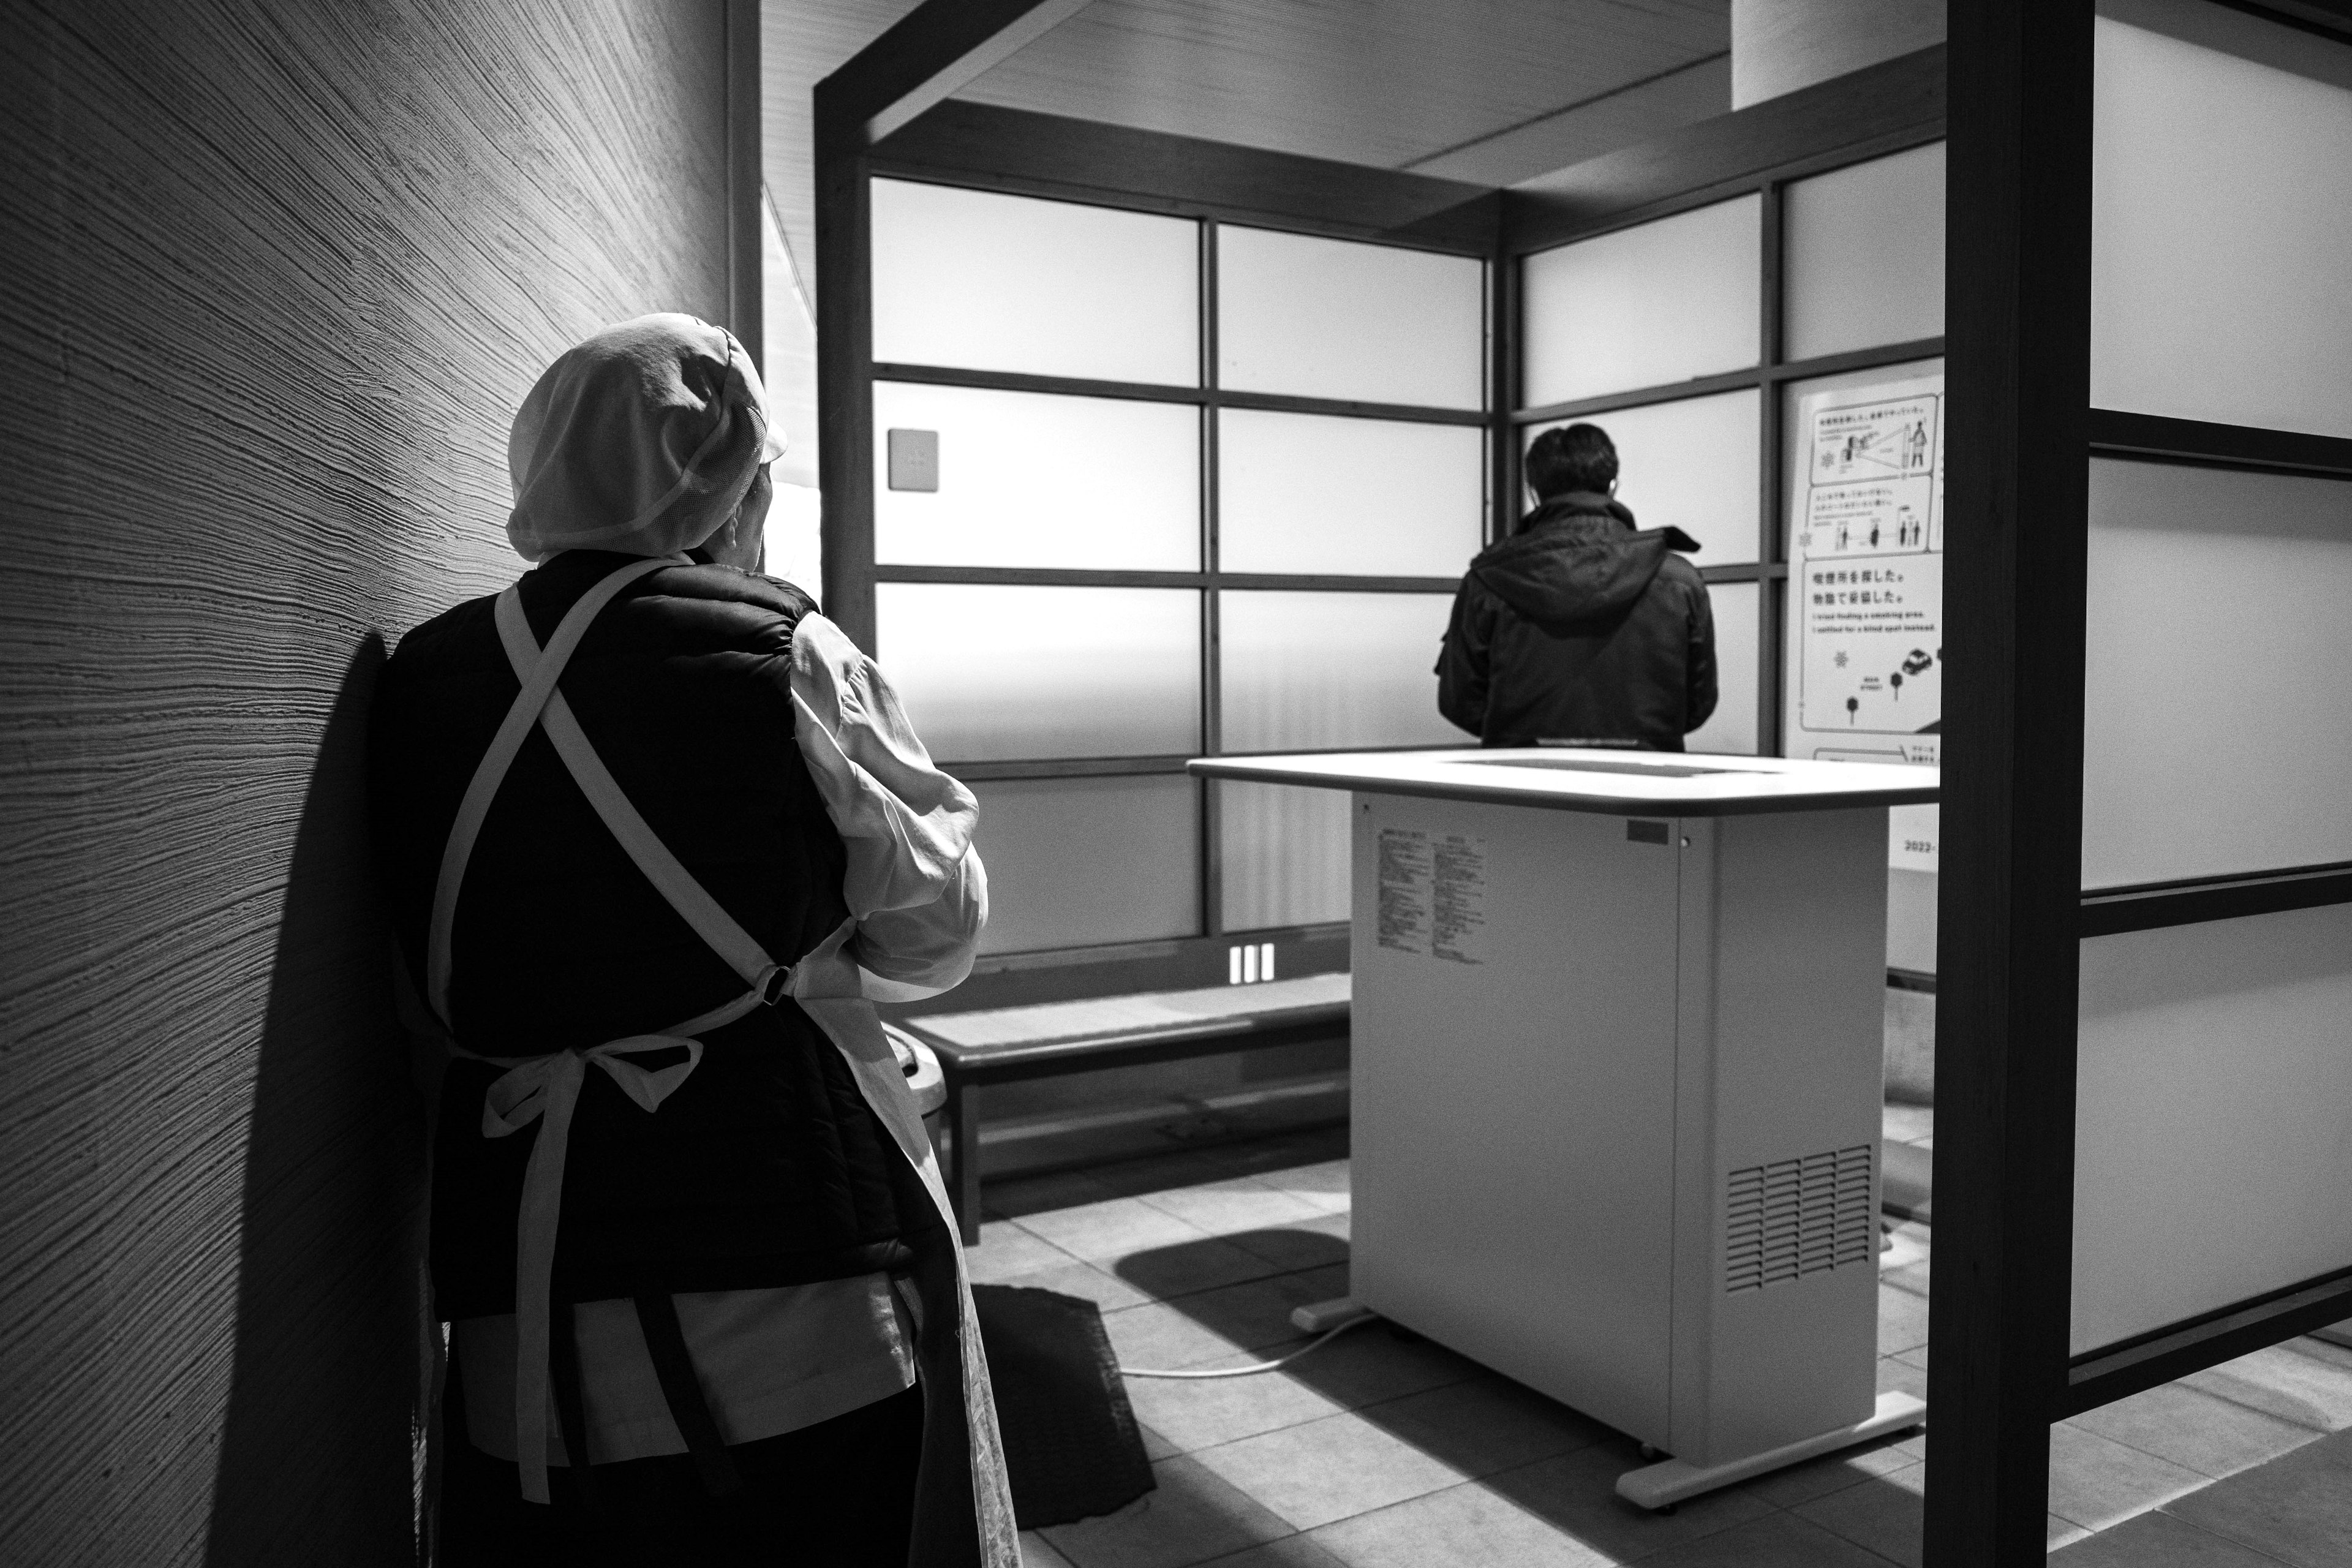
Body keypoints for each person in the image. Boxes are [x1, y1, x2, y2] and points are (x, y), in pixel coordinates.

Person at [368, 314, 1017, 1566]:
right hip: (795, 1294)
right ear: (730, 478)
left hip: (522, 1312)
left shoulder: (421, 678)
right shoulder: (782, 649)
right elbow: (938, 930)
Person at [1436, 423, 1717, 751]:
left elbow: (1459, 701)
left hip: (1518, 782)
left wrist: (1520, 736)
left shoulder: (1489, 578)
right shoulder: (1679, 579)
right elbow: (1699, 702)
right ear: (1613, 487)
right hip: (1649, 785)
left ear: (1533, 493)